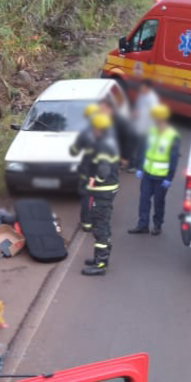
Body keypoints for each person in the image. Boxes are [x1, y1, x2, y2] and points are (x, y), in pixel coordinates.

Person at [70, 111, 120, 277]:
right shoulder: (108, 141)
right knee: (103, 225)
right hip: (108, 190)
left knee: (100, 227)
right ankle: (101, 257)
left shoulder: (103, 145)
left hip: (103, 192)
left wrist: (95, 180)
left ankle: (100, 264)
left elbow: (104, 170)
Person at [129, 104, 180, 236]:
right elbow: (144, 150)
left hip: (161, 177)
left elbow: (173, 158)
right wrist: (140, 167)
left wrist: (169, 177)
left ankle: (157, 225)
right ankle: (143, 225)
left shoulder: (172, 136)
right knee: (144, 200)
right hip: (147, 174)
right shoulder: (151, 131)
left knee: (159, 202)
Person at [99, 100, 136, 172]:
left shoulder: (120, 121)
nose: (101, 111)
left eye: (103, 109)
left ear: (110, 109)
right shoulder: (100, 120)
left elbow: (128, 140)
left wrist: (125, 157)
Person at [131, 81, 160, 160]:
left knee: (141, 148)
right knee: (135, 146)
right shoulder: (142, 95)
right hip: (138, 126)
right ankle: (133, 163)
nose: (141, 88)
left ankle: (136, 165)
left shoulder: (152, 99)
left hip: (146, 128)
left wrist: (140, 113)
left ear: (148, 88)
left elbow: (153, 114)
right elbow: (138, 106)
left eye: (143, 87)